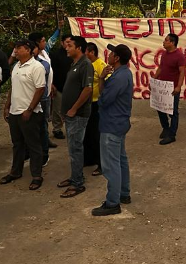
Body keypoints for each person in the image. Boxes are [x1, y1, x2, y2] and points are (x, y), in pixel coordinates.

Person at [91, 43, 134, 216]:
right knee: (120, 159)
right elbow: (105, 93)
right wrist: (101, 78)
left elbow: (104, 99)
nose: (108, 55)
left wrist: (102, 88)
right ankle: (124, 193)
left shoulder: (118, 77)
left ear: (116, 58)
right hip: (119, 123)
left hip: (112, 124)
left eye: (112, 53)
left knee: (111, 165)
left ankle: (112, 203)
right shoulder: (121, 73)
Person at [0, 40, 45, 191]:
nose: (15, 51)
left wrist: (30, 109)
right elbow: (13, 87)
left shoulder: (36, 67)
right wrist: (7, 106)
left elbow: (40, 89)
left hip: (30, 113)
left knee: (33, 145)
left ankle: (37, 175)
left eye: (18, 49)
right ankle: (15, 172)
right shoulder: (16, 66)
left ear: (28, 50)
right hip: (15, 112)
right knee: (17, 144)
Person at [57, 35, 94, 198]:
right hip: (70, 114)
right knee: (72, 148)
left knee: (75, 149)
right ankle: (75, 177)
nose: (67, 47)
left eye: (70, 45)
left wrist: (73, 109)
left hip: (78, 115)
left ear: (79, 48)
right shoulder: (74, 64)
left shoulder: (85, 64)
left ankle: (78, 184)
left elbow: (87, 89)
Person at [151, 33, 186, 145]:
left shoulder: (179, 56)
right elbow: (161, 67)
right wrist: (154, 79)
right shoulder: (164, 54)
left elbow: (182, 72)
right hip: (162, 87)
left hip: (172, 88)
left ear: (172, 42)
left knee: (173, 112)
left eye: (166, 40)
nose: (164, 42)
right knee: (160, 108)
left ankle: (172, 135)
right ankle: (166, 128)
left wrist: (178, 86)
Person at [84, 42, 106, 176]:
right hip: (86, 104)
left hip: (96, 103)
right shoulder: (86, 64)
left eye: (86, 51)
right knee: (87, 133)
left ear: (92, 52)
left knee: (96, 135)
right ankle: (89, 159)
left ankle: (101, 164)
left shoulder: (100, 65)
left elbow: (107, 84)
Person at [31, 43, 52, 167]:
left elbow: (40, 83)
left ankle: (44, 155)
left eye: (32, 48)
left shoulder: (43, 64)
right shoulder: (19, 65)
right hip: (26, 99)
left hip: (42, 99)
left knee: (42, 127)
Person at [50, 34, 73, 139]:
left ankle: (71, 128)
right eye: (67, 42)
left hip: (72, 88)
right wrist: (52, 84)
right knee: (58, 109)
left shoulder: (74, 54)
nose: (68, 44)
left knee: (71, 109)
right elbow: (51, 71)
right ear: (62, 43)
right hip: (59, 86)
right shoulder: (55, 55)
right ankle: (57, 129)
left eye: (70, 42)